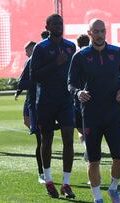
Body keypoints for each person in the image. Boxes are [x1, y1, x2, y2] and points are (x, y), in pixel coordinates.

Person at [68, 19, 120, 203]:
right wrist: (78, 92)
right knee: (94, 160)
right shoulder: (80, 56)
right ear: (89, 33)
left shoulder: (117, 53)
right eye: (96, 31)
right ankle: (97, 198)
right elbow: (70, 83)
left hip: (113, 114)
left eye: (102, 31)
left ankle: (113, 188)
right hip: (91, 115)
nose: (100, 34)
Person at [30, 14, 76, 199]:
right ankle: (48, 181)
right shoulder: (41, 48)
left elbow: (75, 72)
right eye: (55, 23)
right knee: (46, 140)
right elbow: (35, 76)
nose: (59, 26)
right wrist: (55, 64)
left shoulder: (70, 46)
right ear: (47, 26)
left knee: (68, 140)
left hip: (66, 100)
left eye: (61, 23)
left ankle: (66, 183)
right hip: (46, 101)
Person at [14, 41, 46, 184]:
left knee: (54, 138)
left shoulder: (56, 59)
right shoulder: (31, 61)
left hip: (55, 104)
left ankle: (63, 178)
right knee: (41, 140)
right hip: (35, 104)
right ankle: (42, 173)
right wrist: (39, 81)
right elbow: (22, 82)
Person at [74, 34, 90, 157]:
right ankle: (89, 147)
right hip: (91, 95)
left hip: (77, 96)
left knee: (80, 129)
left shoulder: (76, 56)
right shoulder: (92, 54)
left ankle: (87, 147)